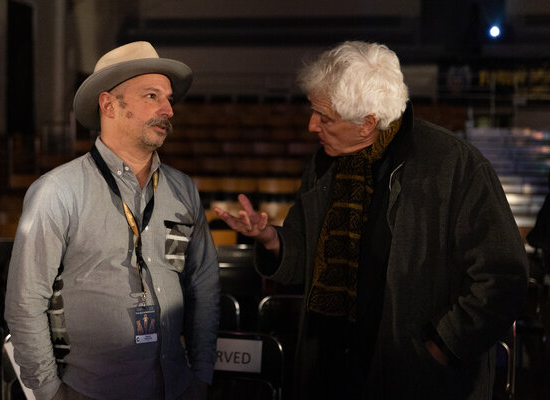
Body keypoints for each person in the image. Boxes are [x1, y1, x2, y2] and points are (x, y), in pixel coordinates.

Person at [215, 41, 529, 399]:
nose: (311, 125)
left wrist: (443, 344)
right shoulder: (323, 165)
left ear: (367, 123)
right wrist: (272, 239)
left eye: (324, 116)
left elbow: (503, 277)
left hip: (417, 379)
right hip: (329, 368)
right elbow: (304, 258)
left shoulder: (457, 167)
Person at [5, 41, 220, 400]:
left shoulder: (183, 190)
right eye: (152, 96)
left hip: (177, 387)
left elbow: (205, 288)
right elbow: (25, 302)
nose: (168, 109)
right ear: (108, 104)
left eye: (168, 98)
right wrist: (48, 392)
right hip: (91, 390)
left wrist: (201, 376)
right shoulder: (57, 191)